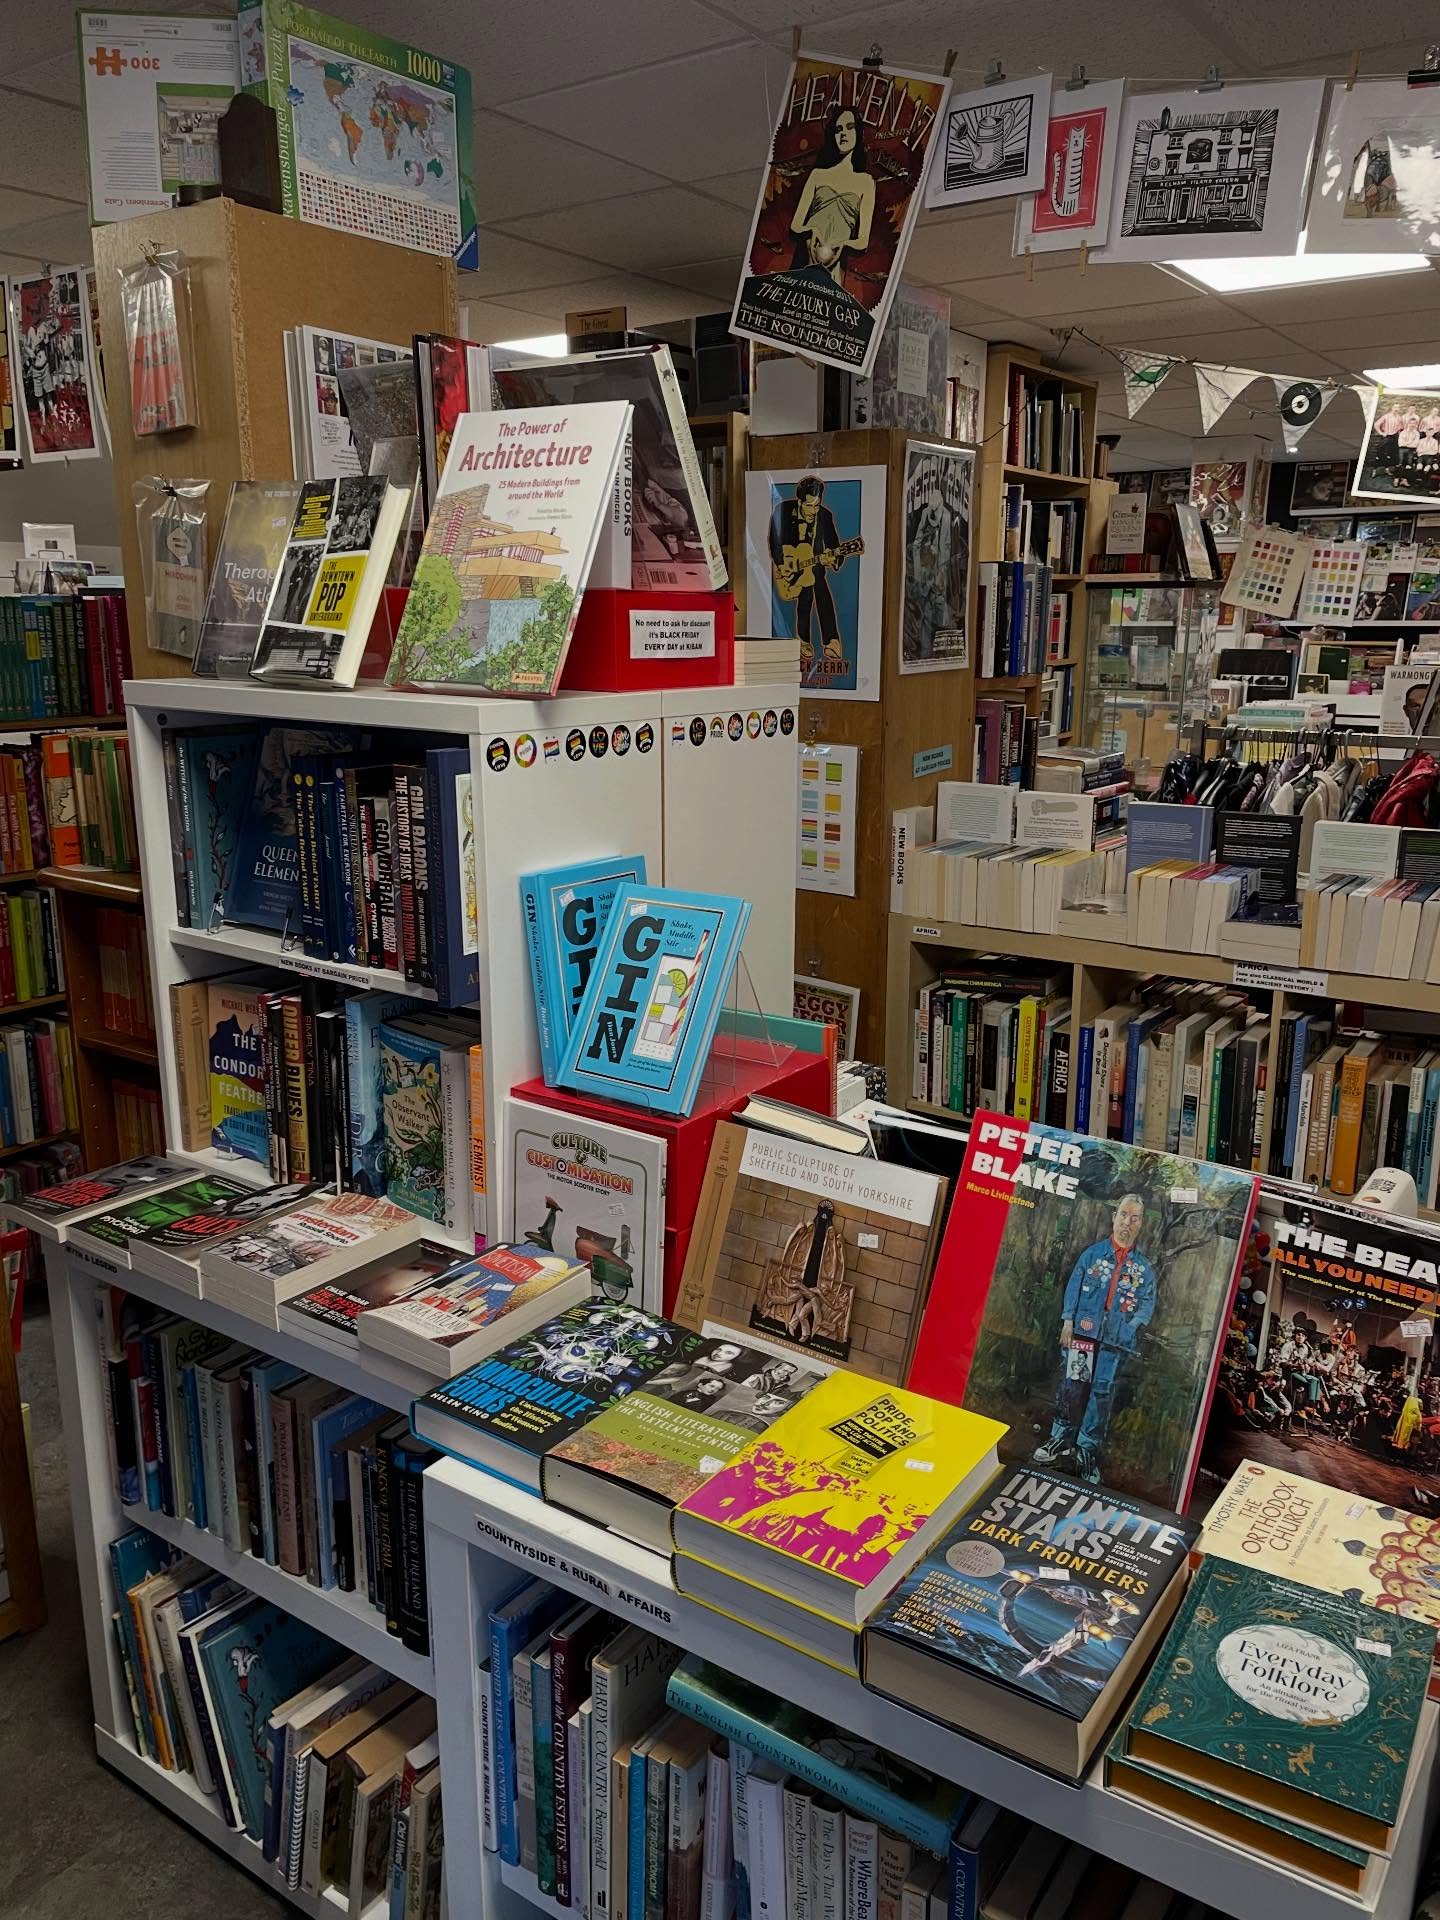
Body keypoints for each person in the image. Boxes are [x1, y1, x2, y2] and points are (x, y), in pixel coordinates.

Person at [1033, 1194, 1156, 1483]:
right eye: (1124, 1215)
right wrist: (1067, 1321)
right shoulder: (1092, 1255)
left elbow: (1146, 1305)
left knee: (1101, 1394)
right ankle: (1059, 1440)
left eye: (1134, 1218)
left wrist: (1130, 1326)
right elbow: (1074, 1287)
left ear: (1141, 1224)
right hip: (1083, 1334)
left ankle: (1086, 1451)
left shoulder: (1144, 1269)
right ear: (1114, 1216)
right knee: (1073, 1386)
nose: (1127, 1222)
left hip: (1115, 1342)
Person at [769, 475, 853, 676]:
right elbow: (774, 540)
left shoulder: (824, 516)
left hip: (814, 565)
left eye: (816, 506)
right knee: (806, 598)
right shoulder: (782, 510)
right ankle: (804, 639)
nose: (813, 511)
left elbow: (833, 545)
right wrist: (782, 565)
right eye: (808, 506)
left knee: (820, 591)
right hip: (789, 565)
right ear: (800, 501)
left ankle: (831, 640)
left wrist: (833, 558)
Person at [789, 104, 875, 290]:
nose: (843, 133)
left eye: (850, 127)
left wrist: (841, 244)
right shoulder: (818, 175)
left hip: (835, 262)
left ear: (858, 133)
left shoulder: (866, 182)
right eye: (838, 129)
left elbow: (862, 241)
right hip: (807, 255)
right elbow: (796, 225)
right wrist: (812, 230)